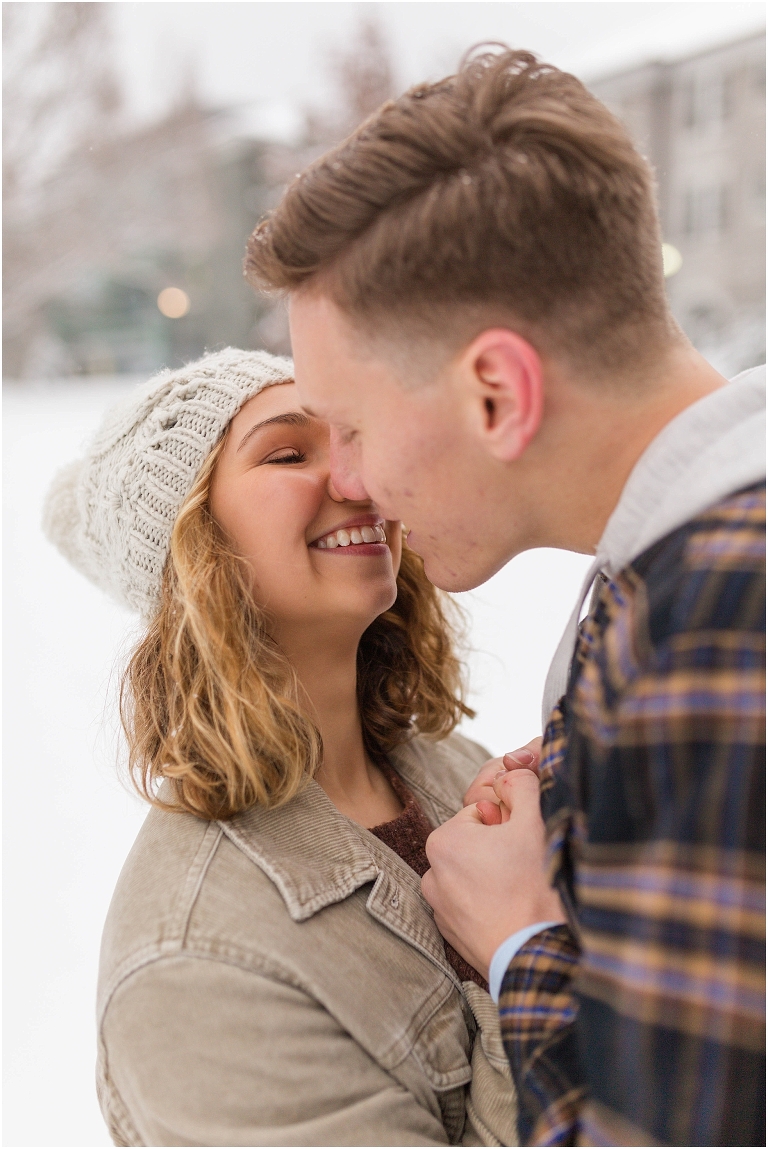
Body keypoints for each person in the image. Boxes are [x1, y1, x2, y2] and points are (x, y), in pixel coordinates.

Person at [245, 47, 766, 1147]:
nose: (347, 481)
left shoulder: (712, 624)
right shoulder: (688, 582)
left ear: (496, 393)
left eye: (349, 426)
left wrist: (523, 943)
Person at [43, 348, 519, 1147]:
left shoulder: (459, 766)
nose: (361, 479)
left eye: (355, 440)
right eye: (289, 453)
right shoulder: (194, 968)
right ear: (193, 553)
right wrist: (523, 971)